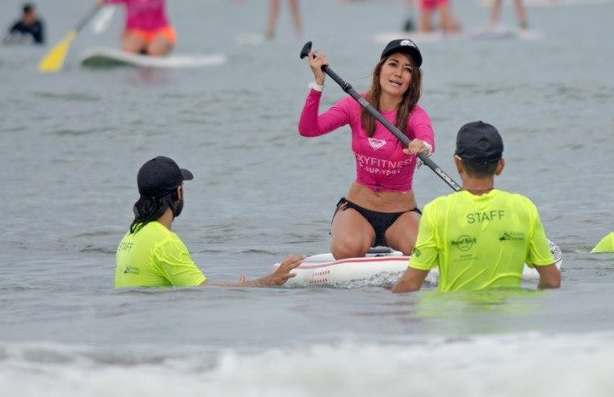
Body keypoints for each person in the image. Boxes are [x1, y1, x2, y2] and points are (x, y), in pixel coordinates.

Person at [299, 39, 434, 259]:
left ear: (413, 80)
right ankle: (359, 237)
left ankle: (392, 244)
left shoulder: (414, 114)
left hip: (401, 214)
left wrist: (423, 145)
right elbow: (308, 129)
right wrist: (318, 84)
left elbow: (425, 134)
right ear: (380, 68)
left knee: (423, 251)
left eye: (407, 69)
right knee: (346, 250)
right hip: (358, 209)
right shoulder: (355, 104)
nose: (399, 73)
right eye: (393, 64)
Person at [392, 121, 560, 293]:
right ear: (500, 165)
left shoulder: (437, 210)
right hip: (511, 317)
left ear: (458, 163)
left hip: (452, 316)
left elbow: (410, 284)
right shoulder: (523, 207)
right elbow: (552, 281)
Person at [115, 156, 304, 288]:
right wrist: (270, 280)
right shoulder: (164, 241)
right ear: (179, 192)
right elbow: (201, 292)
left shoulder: (131, 235)